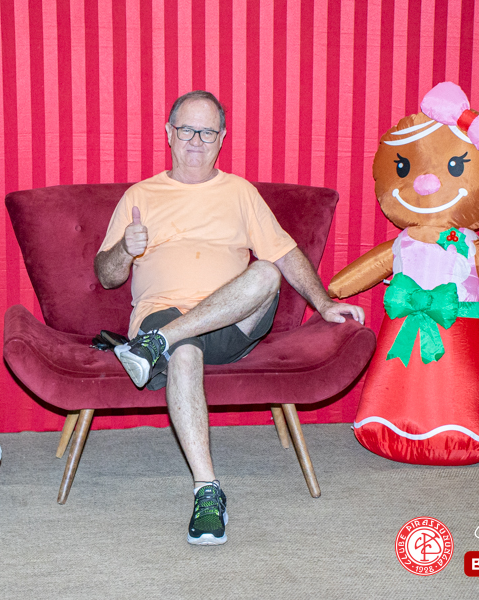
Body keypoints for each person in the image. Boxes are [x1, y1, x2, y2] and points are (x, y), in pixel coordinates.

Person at [94, 90, 365, 545]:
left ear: (221, 138)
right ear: (168, 133)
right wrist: (125, 247)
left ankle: (156, 345)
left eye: (207, 132)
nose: (195, 140)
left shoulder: (240, 193)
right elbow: (106, 276)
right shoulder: (141, 195)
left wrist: (323, 303)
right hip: (161, 312)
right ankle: (207, 491)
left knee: (264, 272)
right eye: (186, 129)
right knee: (183, 354)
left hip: (229, 324)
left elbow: (284, 254)